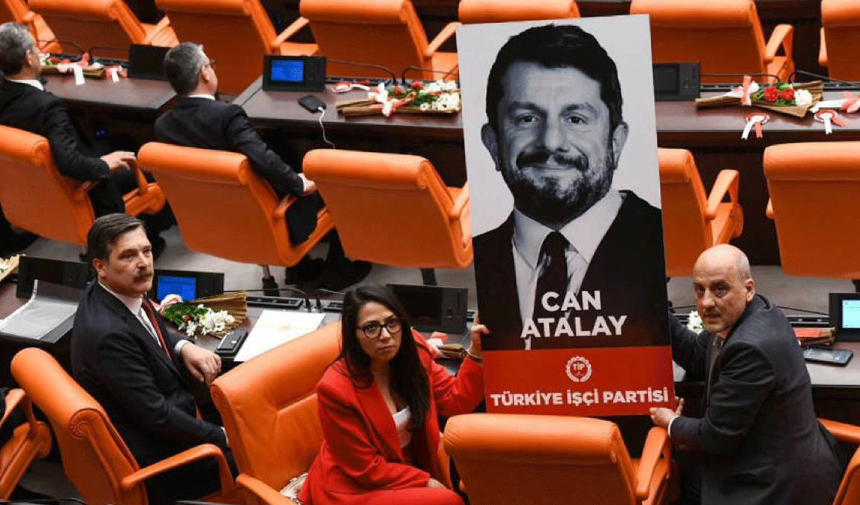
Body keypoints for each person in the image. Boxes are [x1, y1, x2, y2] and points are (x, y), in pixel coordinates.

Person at [473, 23, 667, 351]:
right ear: (493, 143)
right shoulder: (482, 258)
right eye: (527, 119)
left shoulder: (660, 243)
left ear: (616, 142)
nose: (552, 142)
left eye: (576, 119)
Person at [154, 42, 369, 289]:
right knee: (335, 179)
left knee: (281, 148)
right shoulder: (226, 115)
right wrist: (299, 183)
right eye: (210, 64)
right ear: (205, 73)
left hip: (215, 219)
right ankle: (337, 269)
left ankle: (301, 268)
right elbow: (262, 159)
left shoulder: (164, 126)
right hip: (266, 216)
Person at [650, 244, 842, 505]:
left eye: (719, 289)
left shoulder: (750, 348)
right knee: (687, 480)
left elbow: (716, 435)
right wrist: (653, 303)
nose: (706, 302)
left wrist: (672, 422)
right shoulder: (751, 311)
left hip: (774, 488)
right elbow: (696, 355)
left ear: (748, 289)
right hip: (765, 457)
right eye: (699, 290)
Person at [71, 214, 235, 505]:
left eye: (146, 251)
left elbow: (146, 325)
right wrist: (222, 436)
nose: (144, 263)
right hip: (168, 459)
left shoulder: (114, 289)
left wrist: (183, 347)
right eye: (128, 256)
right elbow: (157, 416)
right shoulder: (107, 336)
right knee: (264, 445)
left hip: (173, 414)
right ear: (100, 266)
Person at [299, 284, 488, 505]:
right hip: (355, 485)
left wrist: (476, 351)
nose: (386, 336)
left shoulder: (414, 350)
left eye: (391, 323)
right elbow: (364, 469)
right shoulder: (334, 389)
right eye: (371, 328)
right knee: (448, 501)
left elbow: (454, 402)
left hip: (404, 467)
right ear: (353, 334)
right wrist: (425, 481)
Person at [0, 23, 135, 218]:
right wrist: (105, 164)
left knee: (125, 140)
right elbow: (70, 163)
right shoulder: (48, 107)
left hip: (30, 189)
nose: (40, 53)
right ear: (29, 58)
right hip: (86, 190)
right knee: (141, 166)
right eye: (36, 48)